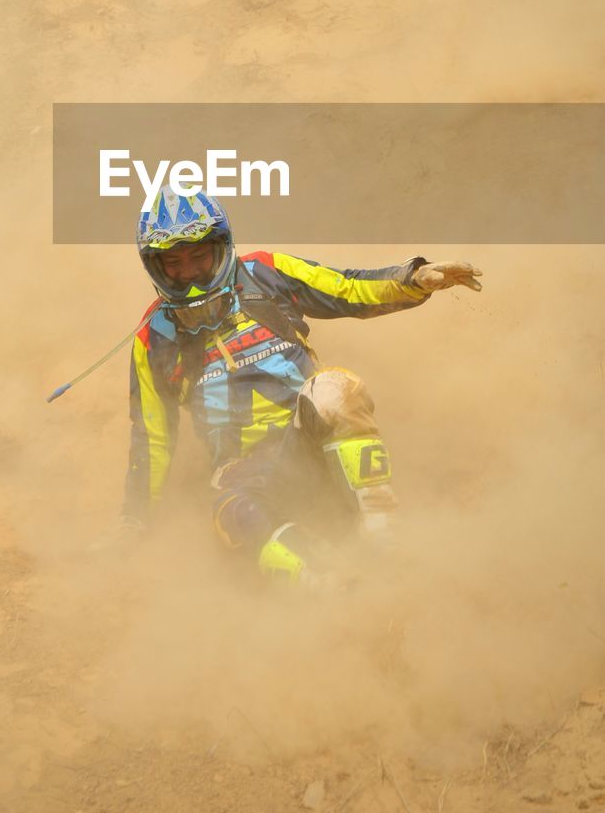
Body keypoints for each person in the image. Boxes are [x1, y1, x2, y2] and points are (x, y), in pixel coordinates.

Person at [114, 186, 481, 585]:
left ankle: (387, 540)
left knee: (334, 388)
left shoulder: (266, 272)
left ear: (221, 247)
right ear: (154, 266)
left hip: (311, 446)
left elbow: (348, 288)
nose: (189, 273)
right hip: (242, 475)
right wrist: (132, 523)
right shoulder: (153, 338)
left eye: (199, 256)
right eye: (174, 262)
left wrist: (413, 279)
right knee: (232, 514)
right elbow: (152, 438)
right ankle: (337, 595)